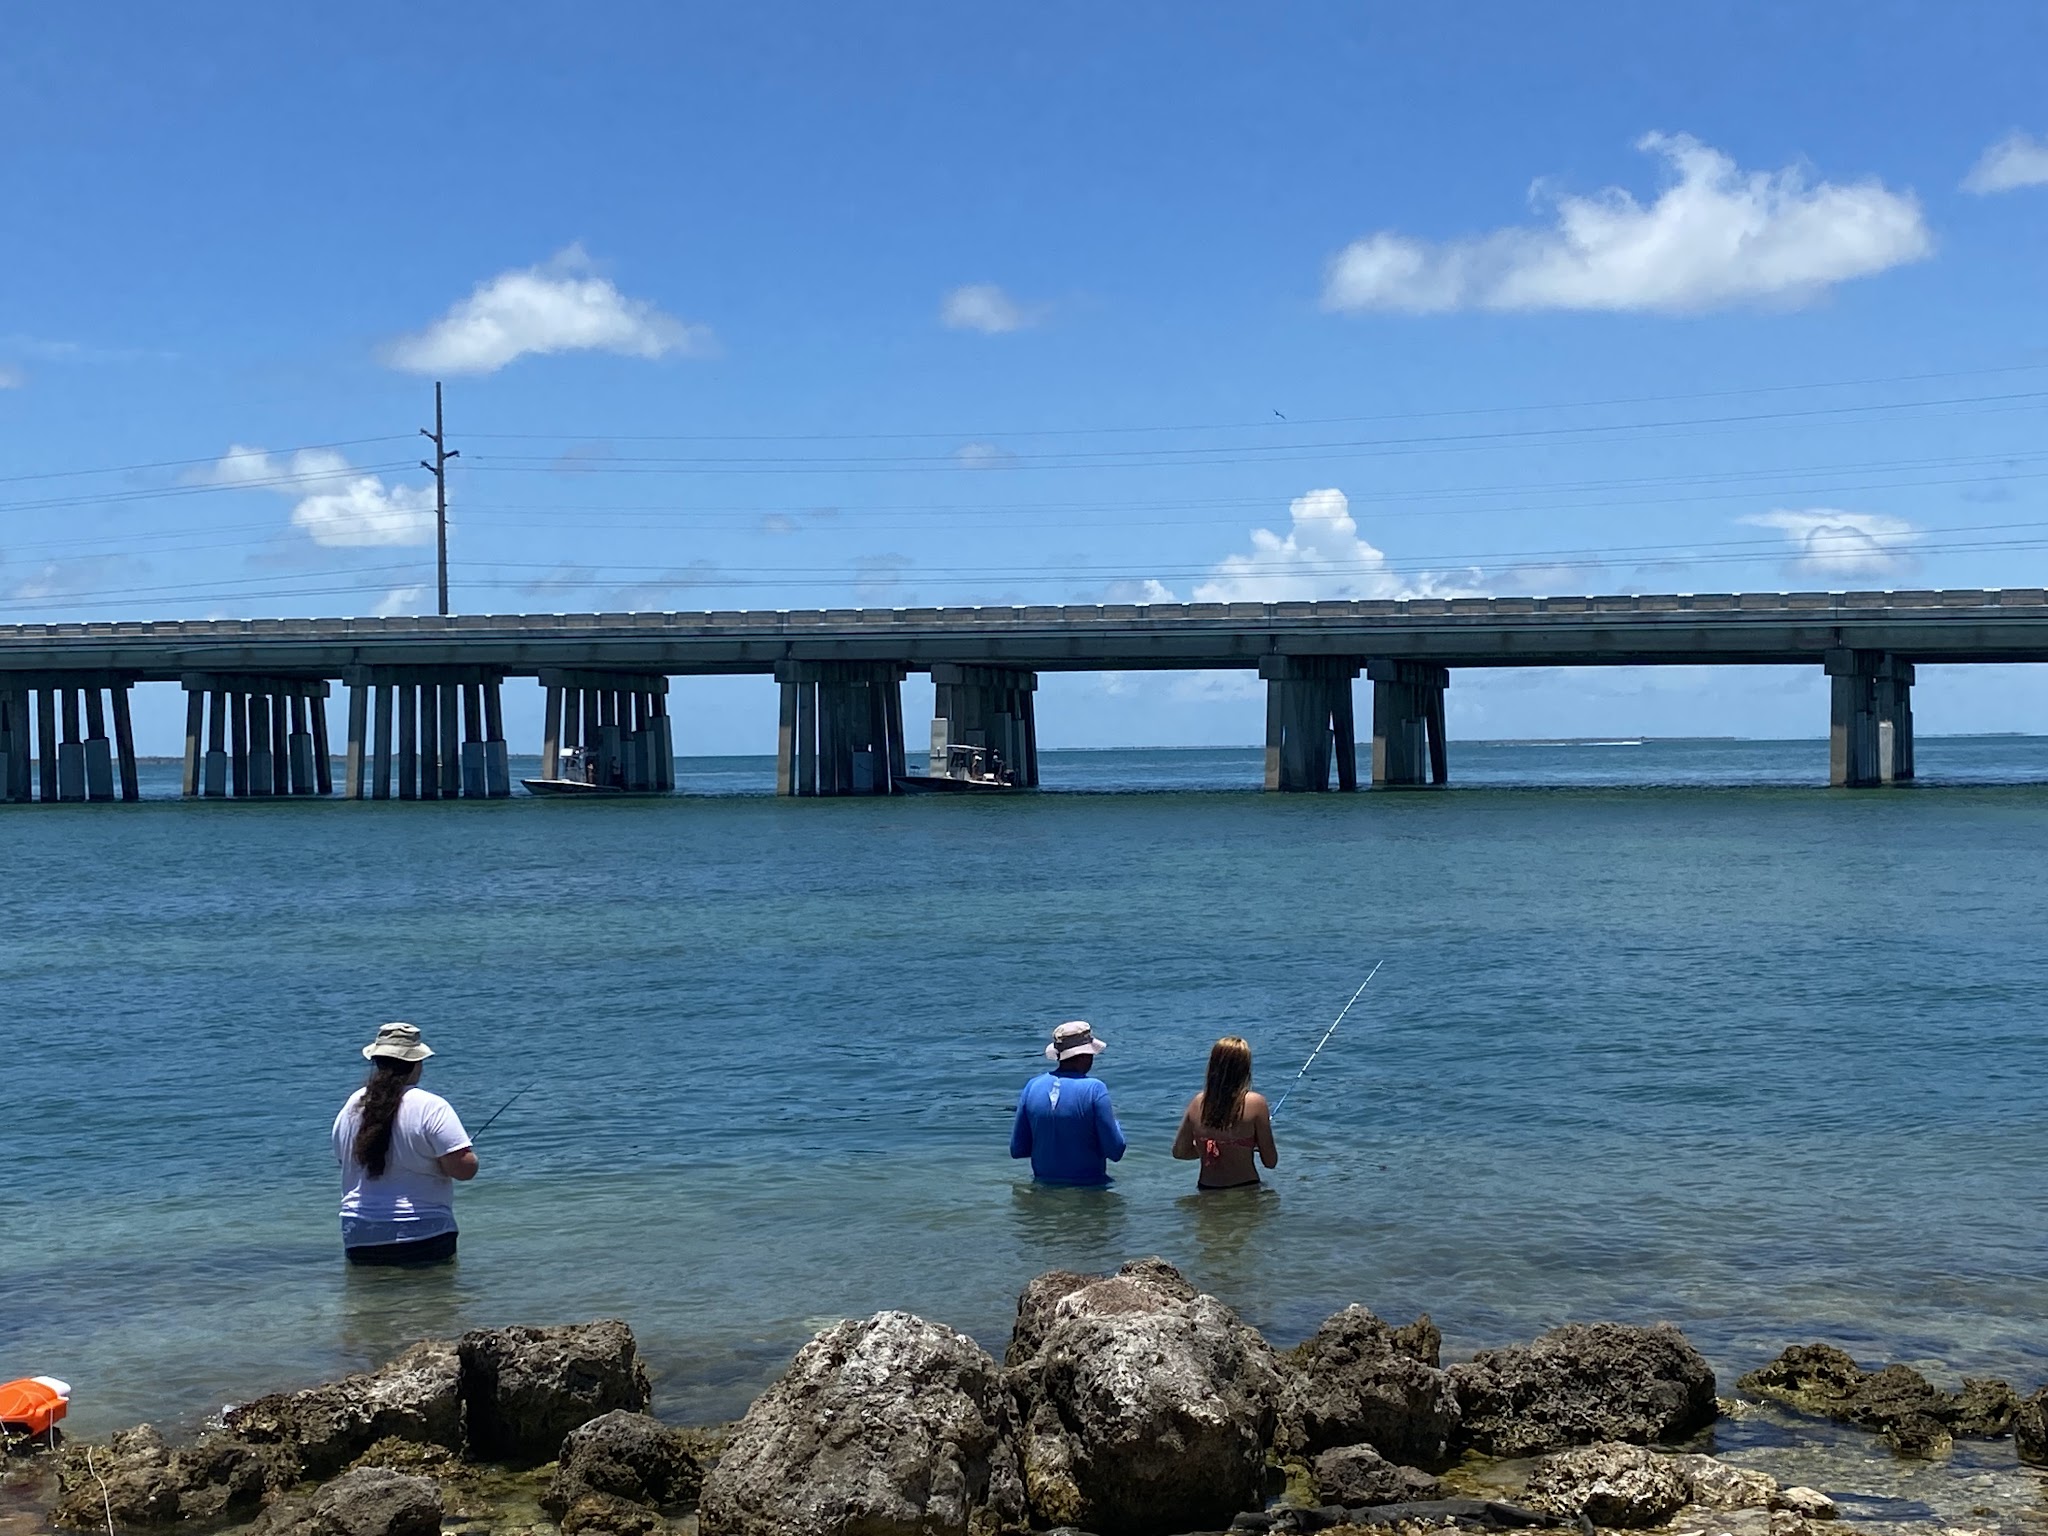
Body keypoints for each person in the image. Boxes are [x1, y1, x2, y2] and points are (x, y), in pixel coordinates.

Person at [332, 1022, 478, 1266]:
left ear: (377, 1062)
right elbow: (464, 1170)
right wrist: (466, 1156)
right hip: (424, 1232)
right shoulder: (431, 1106)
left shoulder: (352, 1106)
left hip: (358, 1234)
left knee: (372, 1304)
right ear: (416, 1063)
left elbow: (344, 1160)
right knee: (432, 1303)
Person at [1010, 1020, 1127, 1186]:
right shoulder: (1095, 1089)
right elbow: (1116, 1151)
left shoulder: (1032, 1086)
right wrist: (1115, 1122)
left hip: (1043, 1192)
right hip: (1088, 1191)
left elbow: (1018, 1150)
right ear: (1086, 1055)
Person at [1172, 1036, 1278, 1191]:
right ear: (1245, 1068)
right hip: (1245, 1189)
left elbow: (1179, 1152)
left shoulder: (1197, 1102)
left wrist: (1207, 1149)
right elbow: (1270, 1162)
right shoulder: (1257, 1103)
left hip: (1207, 1190)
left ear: (1213, 1066)